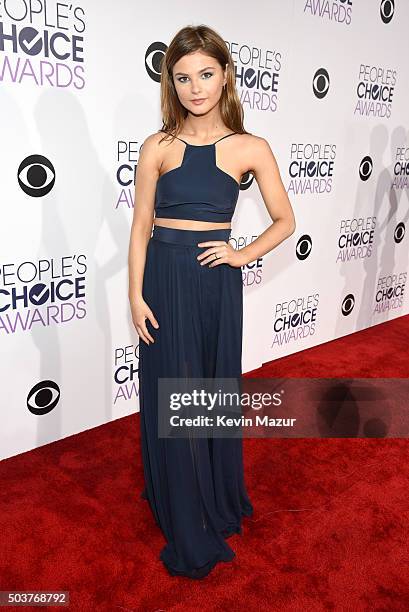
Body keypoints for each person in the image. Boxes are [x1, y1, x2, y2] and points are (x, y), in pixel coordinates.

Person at [128, 24, 296, 579]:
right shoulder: (157, 146)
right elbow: (140, 229)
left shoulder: (251, 148)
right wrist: (134, 293)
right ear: (170, 84)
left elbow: (286, 221)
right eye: (181, 77)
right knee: (170, 389)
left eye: (204, 74)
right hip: (163, 278)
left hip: (213, 280)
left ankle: (212, 497)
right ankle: (179, 504)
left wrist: (240, 254)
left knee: (207, 390)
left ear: (225, 75)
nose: (194, 87)